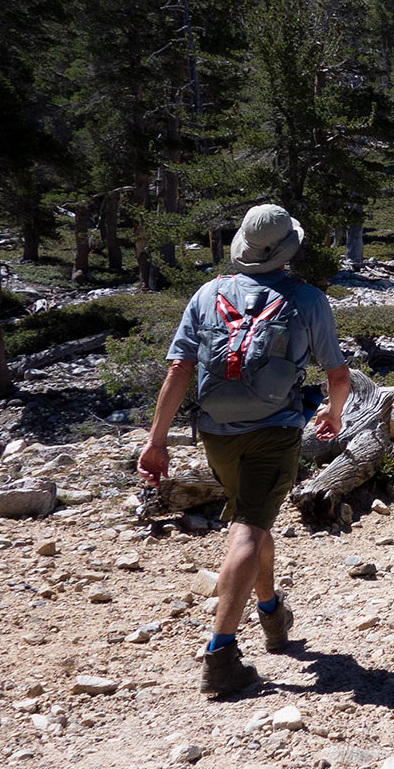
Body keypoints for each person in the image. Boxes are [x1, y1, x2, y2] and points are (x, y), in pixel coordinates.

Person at [137, 205, 348, 697]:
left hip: (216, 432)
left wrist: (156, 441)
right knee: (249, 530)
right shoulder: (308, 299)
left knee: (251, 521)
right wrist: (334, 415)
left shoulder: (208, 294)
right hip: (274, 429)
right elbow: (337, 375)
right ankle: (221, 654)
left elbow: (179, 370)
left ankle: (272, 611)